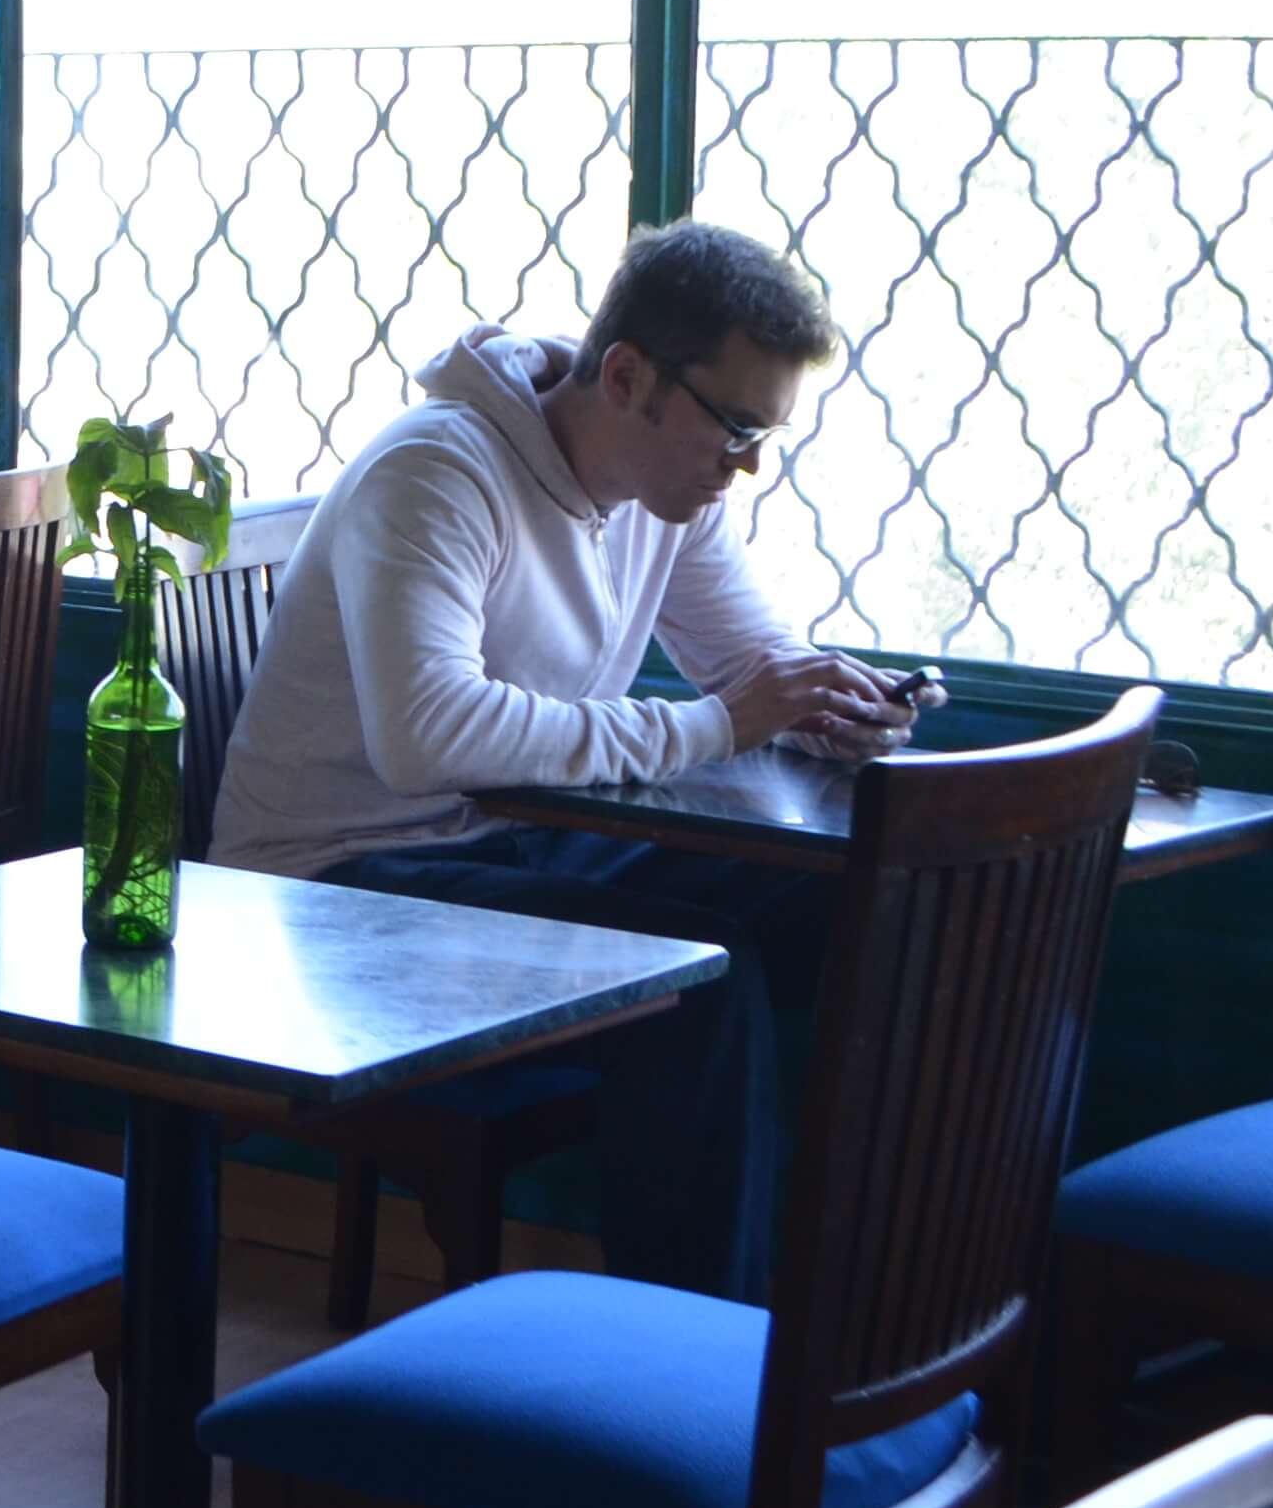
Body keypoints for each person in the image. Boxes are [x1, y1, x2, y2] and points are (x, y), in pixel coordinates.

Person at [207, 222, 918, 1300]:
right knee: (693, 980)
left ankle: (854, 1326)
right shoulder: (436, 470)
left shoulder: (662, 492)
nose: (747, 465)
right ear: (628, 377)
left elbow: (747, 662)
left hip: (508, 847)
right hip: (325, 888)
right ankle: (686, 1381)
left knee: (879, 904)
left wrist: (827, 702)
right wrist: (720, 721)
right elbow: (426, 738)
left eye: (763, 435)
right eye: (733, 428)